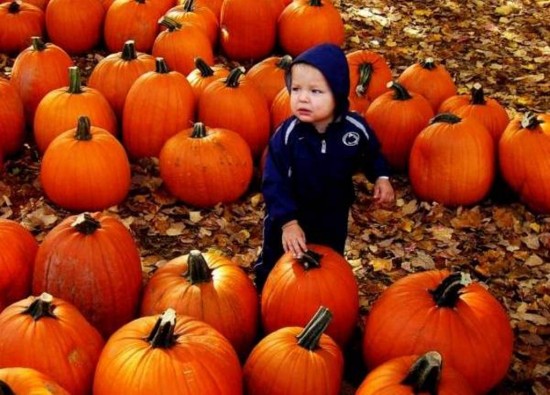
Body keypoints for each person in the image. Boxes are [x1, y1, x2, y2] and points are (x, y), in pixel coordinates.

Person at [254, 43, 395, 291]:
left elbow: (371, 152)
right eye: (296, 89)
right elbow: (273, 180)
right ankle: (265, 293)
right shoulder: (287, 135)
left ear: (338, 94)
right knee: (278, 259)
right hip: (291, 211)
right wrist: (287, 222)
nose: (303, 98)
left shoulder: (354, 129)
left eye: (316, 91)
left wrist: (381, 176)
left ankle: (327, 300)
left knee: (329, 260)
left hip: (333, 212)